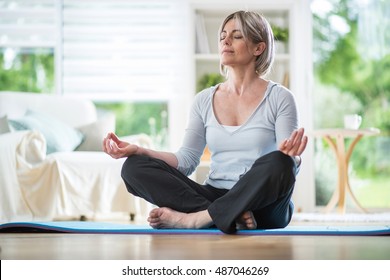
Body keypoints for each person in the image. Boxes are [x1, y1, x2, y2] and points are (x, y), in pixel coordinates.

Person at [103, 10, 308, 234]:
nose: (225, 41)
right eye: (222, 36)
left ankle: (194, 219)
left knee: (282, 161)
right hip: (214, 194)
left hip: (264, 205)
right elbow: (186, 160)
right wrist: (140, 151)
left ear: (259, 48)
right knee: (134, 166)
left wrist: (293, 156)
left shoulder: (280, 97)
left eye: (237, 36)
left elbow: (284, 162)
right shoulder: (203, 100)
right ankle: (226, 214)